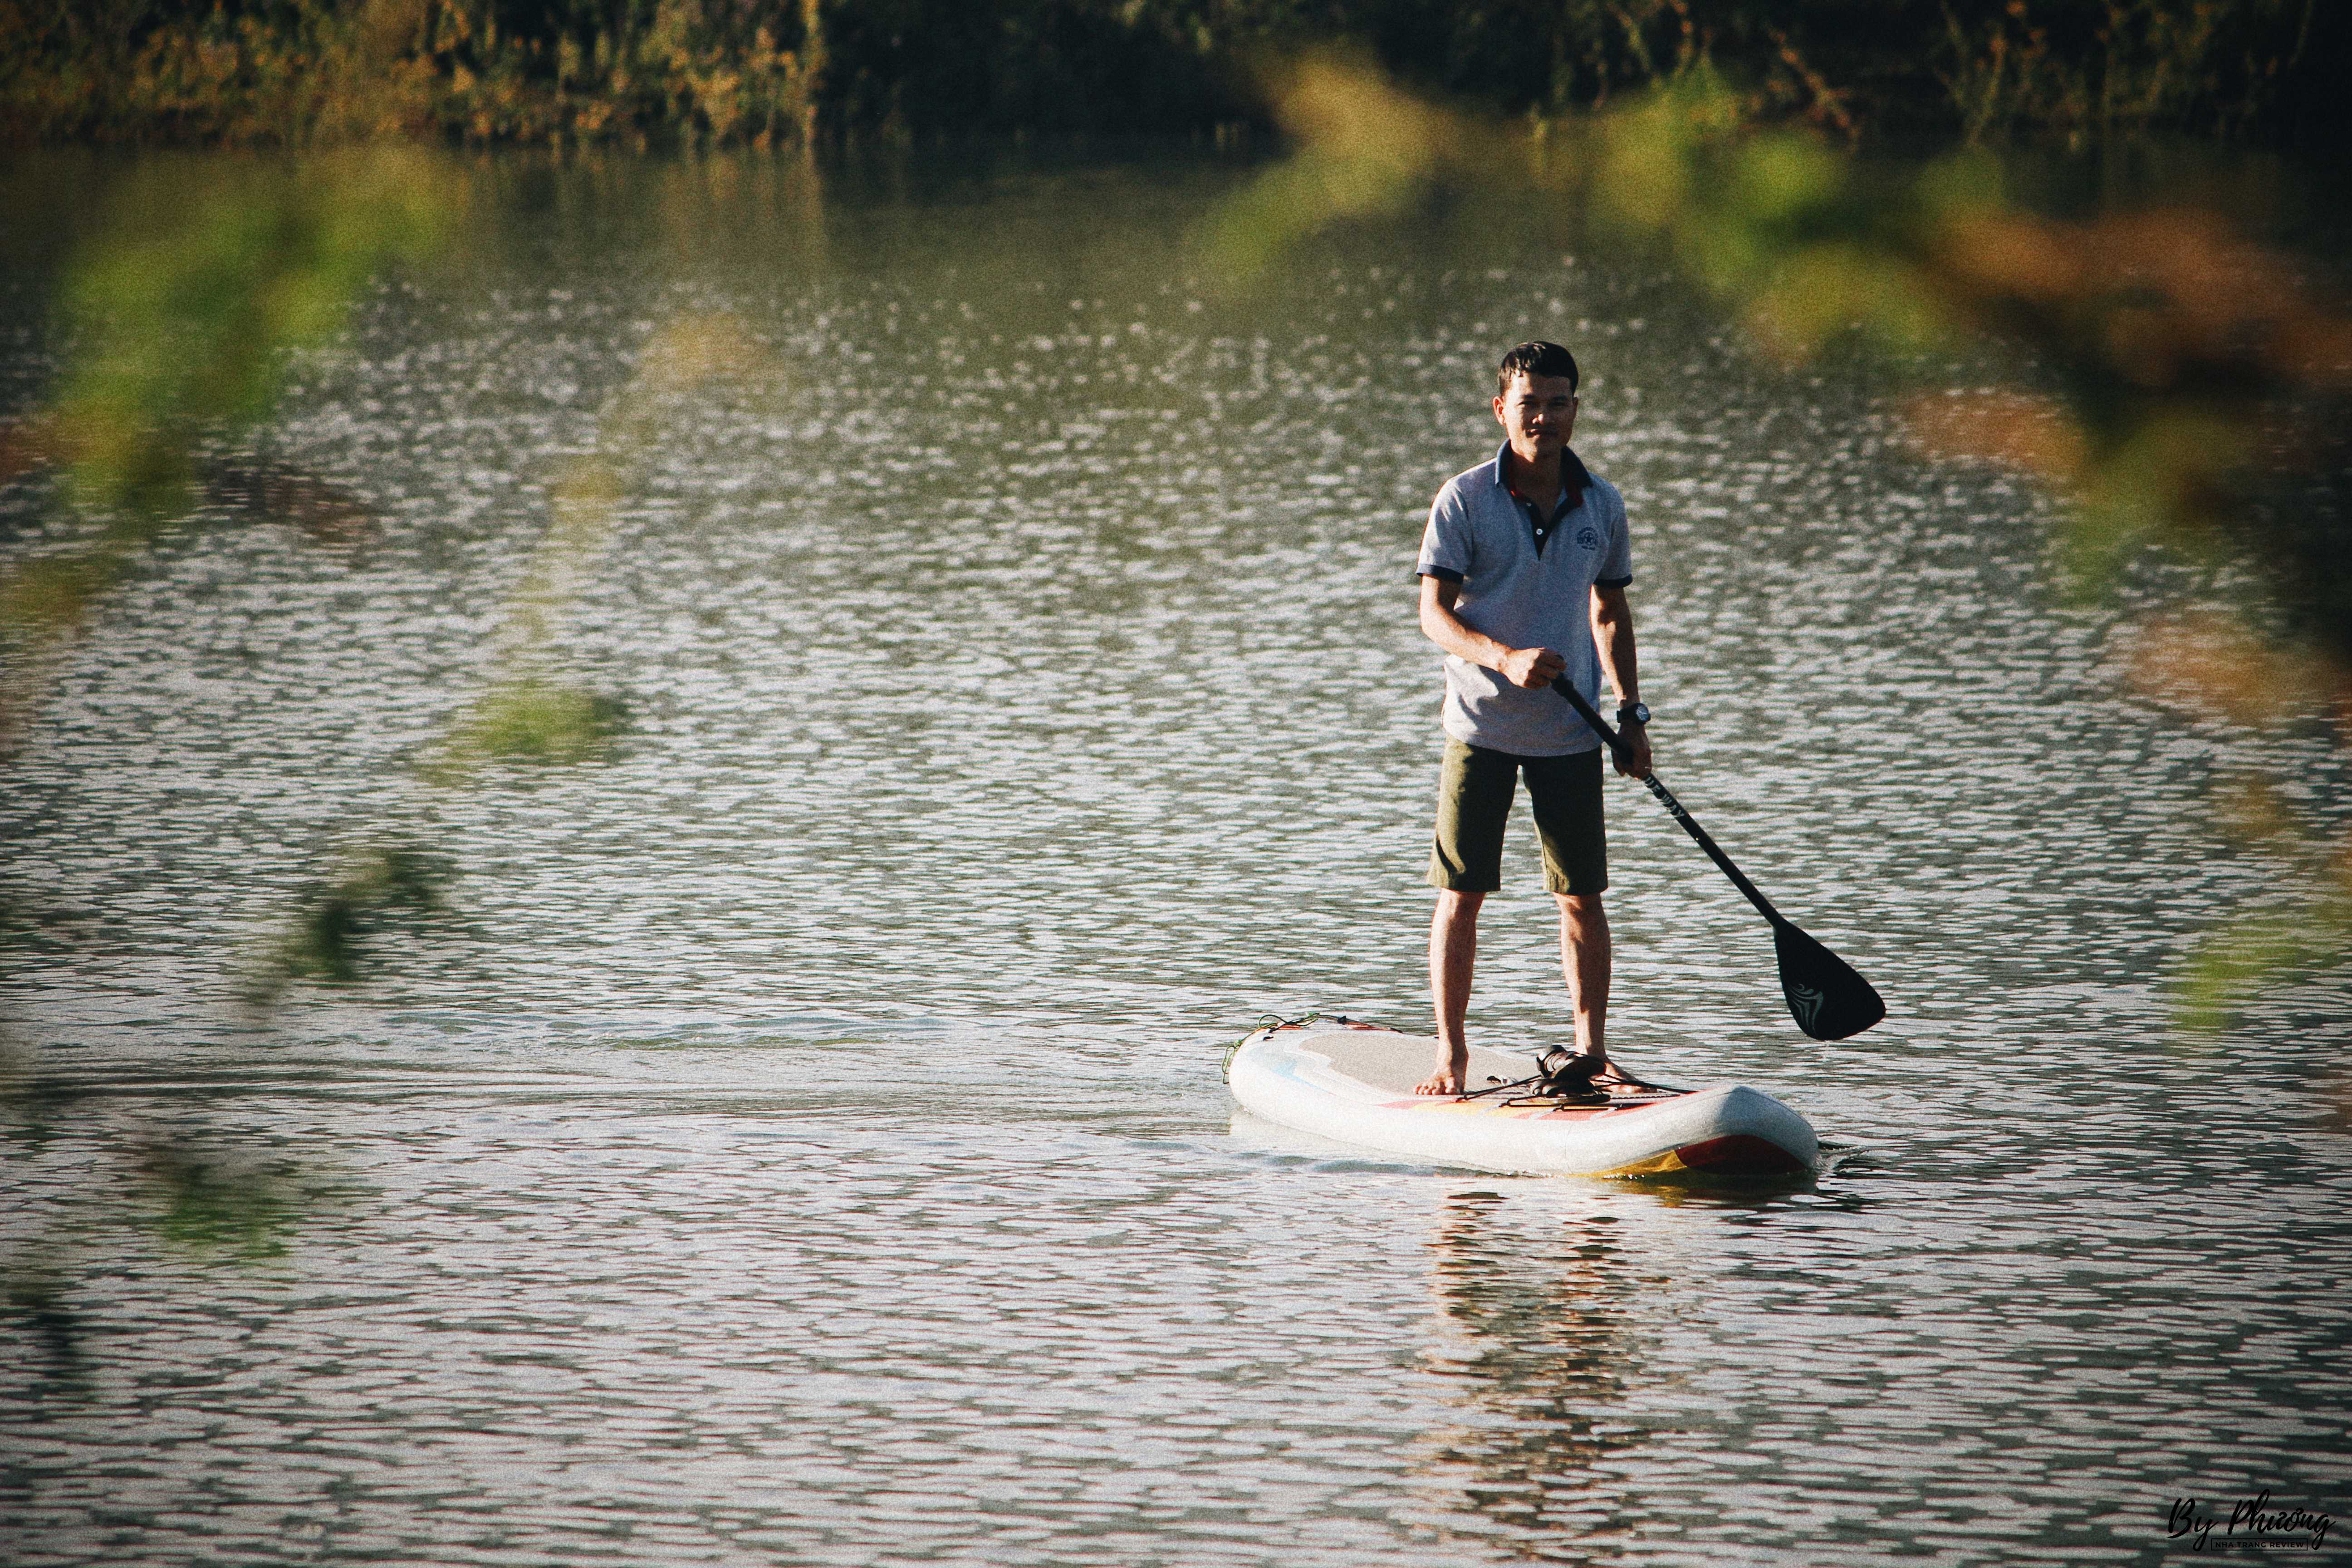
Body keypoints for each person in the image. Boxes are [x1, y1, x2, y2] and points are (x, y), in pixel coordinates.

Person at [1413, 341, 1652, 1097]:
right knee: (1463, 893)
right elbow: (1433, 616)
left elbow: (1610, 612)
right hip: (1481, 727)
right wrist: (1502, 657)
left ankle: (1592, 1051)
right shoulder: (1464, 499)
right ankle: (1450, 1057)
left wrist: (1632, 714)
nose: (1543, 417)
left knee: (1582, 896)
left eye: (1557, 403)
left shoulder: (1602, 504)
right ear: (1501, 410)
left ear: (1576, 410)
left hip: (1571, 733)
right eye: (1528, 404)